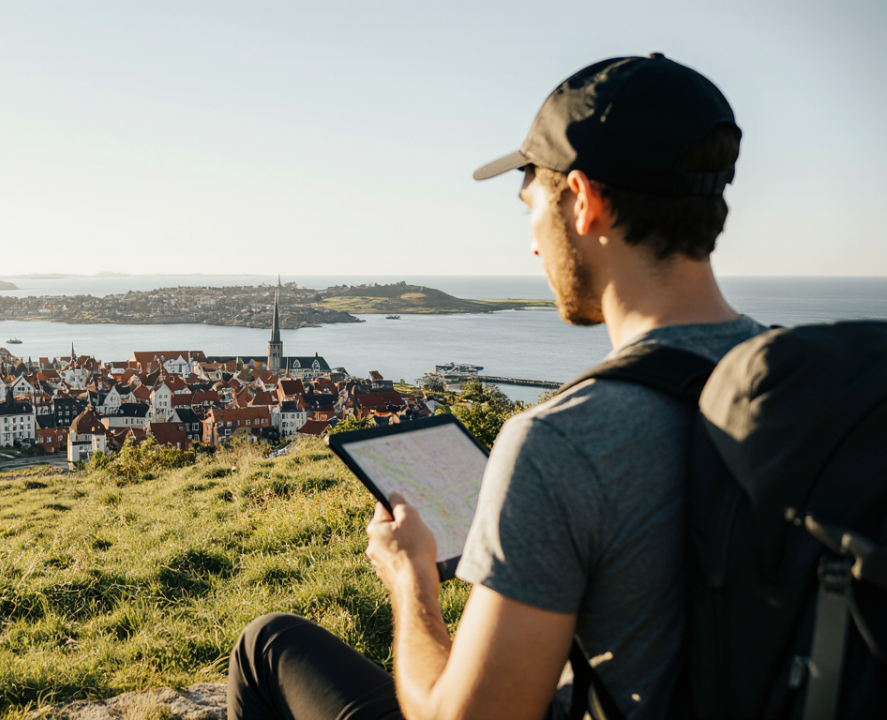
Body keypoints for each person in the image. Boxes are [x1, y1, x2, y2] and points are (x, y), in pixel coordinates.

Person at [228, 54, 767, 720]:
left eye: (529, 208)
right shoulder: (811, 389)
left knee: (267, 645)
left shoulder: (560, 442)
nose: (534, 246)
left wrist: (412, 582)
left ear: (584, 202)